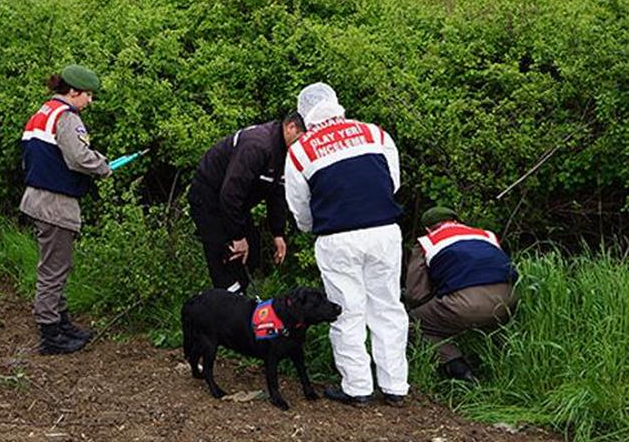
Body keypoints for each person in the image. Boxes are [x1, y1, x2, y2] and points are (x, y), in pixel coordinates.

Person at [285, 82, 408, 407]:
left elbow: (299, 206)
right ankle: (395, 385)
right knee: (388, 306)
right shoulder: (375, 133)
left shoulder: (301, 149)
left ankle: (357, 387)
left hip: (337, 237)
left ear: (305, 114)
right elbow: (392, 181)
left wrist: (314, 227)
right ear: (336, 104)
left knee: (345, 311)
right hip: (384, 230)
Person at [20, 65, 111, 355]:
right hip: (55, 202)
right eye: (88, 95)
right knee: (54, 268)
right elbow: (78, 157)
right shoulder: (68, 118)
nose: (90, 101)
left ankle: (61, 322)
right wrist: (103, 165)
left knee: (56, 264)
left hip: (36, 197)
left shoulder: (43, 112)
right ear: (73, 92)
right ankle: (50, 332)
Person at [187, 112, 306, 293]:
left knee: (253, 250)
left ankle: (244, 298)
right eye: (303, 139)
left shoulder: (286, 152)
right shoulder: (257, 146)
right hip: (210, 198)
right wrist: (237, 236)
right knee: (228, 254)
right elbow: (230, 192)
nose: (304, 146)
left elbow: (277, 192)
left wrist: (278, 232)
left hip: (236, 204)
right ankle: (228, 301)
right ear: (291, 128)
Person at [406, 206, 519, 382]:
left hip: (466, 305)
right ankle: (498, 363)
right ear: (456, 221)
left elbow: (416, 294)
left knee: (413, 322)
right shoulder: (486, 235)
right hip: (509, 300)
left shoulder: (427, 242)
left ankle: (457, 367)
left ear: (427, 228)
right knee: (486, 322)